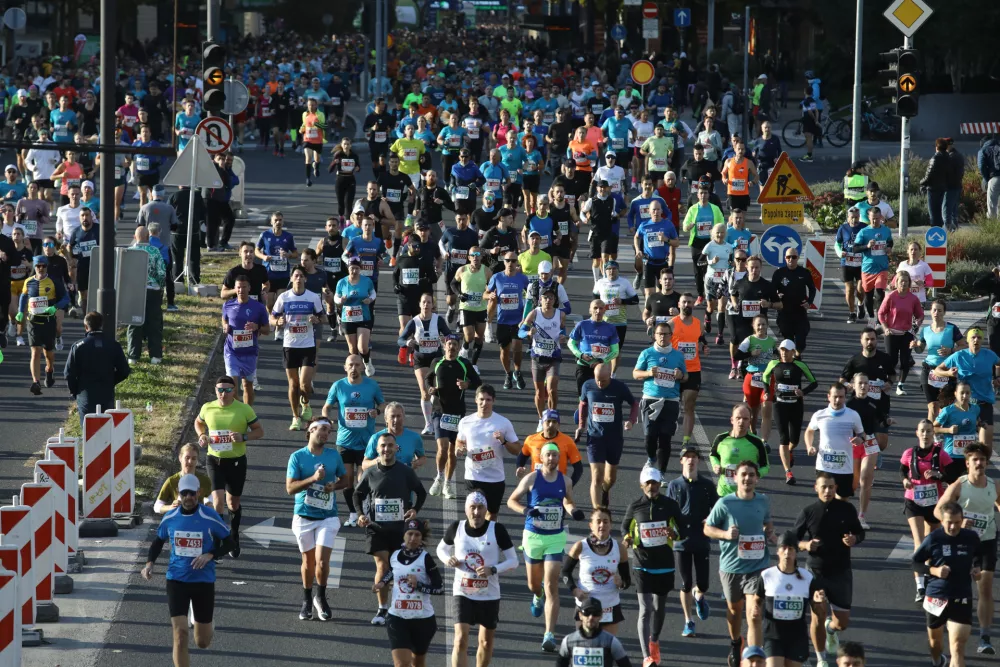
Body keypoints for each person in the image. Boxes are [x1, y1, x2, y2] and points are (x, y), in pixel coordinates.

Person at [141, 474, 235, 667]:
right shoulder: (171, 517)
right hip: (176, 580)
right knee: (180, 634)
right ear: (179, 494)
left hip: (203, 582)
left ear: (198, 493)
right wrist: (149, 563)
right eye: (184, 493)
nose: (188, 497)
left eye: (192, 493)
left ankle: (208, 627)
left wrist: (210, 555)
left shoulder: (209, 516)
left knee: (202, 642)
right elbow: (158, 541)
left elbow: (230, 542)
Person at [508, 442, 586, 651]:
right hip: (533, 537)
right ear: (541, 458)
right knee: (535, 585)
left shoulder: (566, 480)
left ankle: (549, 634)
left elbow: (567, 502)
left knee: (551, 584)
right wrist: (526, 511)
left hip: (555, 536)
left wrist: (573, 511)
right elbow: (511, 500)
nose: (552, 459)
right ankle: (537, 595)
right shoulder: (532, 478)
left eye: (555, 455)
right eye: (548, 455)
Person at [704, 460, 776, 667]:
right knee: (735, 611)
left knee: (754, 613)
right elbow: (707, 528)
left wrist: (770, 532)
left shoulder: (763, 501)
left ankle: (754, 659)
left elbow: (767, 522)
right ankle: (736, 642)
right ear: (735, 478)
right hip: (731, 567)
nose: (747, 478)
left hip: (758, 565)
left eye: (751, 475)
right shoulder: (725, 503)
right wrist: (725, 534)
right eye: (743, 474)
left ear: (757, 478)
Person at [436, 492, 519, 667]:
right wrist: (448, 559)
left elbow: (514, 561)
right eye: (472, 508)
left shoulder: (497, 530)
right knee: (459, 640)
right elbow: (441, 549)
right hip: (463, 591)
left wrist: (493, 569)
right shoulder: (456, 528)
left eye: (480, 508)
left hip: (489, 594)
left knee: (486, 642)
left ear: (486, 510)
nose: (476, 512)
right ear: (466, 510)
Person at [354, 431, 428, 626]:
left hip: (399, 528)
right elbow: (357, 494)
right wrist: (361, 515)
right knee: (382, 565)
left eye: (390, 445)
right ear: (377, 449)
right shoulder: (370, 473)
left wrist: (414, 510)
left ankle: (397, 604)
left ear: (396, 448)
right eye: (383, 446)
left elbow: (421, 493)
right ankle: (382, 608)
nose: (386, 449)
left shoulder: (405, 471)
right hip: (376, 528)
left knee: (397, 568)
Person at [793, 472, 866, 667]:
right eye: (823, 487)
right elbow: (792, 540)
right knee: (818, 614)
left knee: (842, 623)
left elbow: (860, 532)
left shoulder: (847, 509)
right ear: (816, 488)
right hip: (815, 572)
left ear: (836, 489)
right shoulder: (808, 511)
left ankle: (831, 630)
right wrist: (806, 545)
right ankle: (821, 658)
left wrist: (854, 539)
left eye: (831, 487)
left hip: (841, 571)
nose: (827, 491)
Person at [935, 443, 1000, 655]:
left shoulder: (993, 485)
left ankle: (984, 636)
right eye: (975, 460)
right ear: (968, 463)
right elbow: (938, 511)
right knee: (956, 588)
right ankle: (948, 625)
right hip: (962, 542)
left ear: (987, 463)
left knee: (985, 586)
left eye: (982, 460)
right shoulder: (959, 486)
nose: (979, 463)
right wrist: (956, 523)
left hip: (987, 540)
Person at [193, 375, 265, 558]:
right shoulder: (208, 407)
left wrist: (244, 437)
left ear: (234, 391)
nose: (223, 393)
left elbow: (259, 431)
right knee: (218, 501)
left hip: (236, 461)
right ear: (215, 391)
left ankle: (233, 536)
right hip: (214, 460)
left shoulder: (243, 409)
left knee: (233, 503)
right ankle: (217, 541)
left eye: (227, 390)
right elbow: (198, 422)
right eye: (220, 390)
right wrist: (202, 435)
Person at [285, 418, 348, 621]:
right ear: (310, 430)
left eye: (328, 431)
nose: (325, 434)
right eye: (321, 430)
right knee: (308, 562)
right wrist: (313, 479)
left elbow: (346, 480)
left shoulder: (333, 456)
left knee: (322, 561)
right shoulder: (297, 457)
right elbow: (290, 488)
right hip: (303, 515)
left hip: (327, 516)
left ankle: (320, 597)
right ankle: (306, 599)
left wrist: (334, 486)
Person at [913, 501, 981, 667]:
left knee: (957, 647)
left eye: (957, 522)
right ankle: (937, 661)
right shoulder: (934, 538)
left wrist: (977, 568)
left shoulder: (971, 537)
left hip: (961, 596)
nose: (953, 527)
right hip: (936, 596)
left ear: (962, 520)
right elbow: (916, 563)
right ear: (942, 521)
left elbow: (979, 555)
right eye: (949, 522)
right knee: (935, 643)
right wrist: (935, 571)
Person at [323, 354, 385, 528]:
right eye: (351, 365)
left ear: (362, 367)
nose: (354, 368)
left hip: (366, 441)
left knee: (362, 480)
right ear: (345, 367)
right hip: (345, 441)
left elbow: (382, 404)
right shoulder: (338, 386)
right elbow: (327, 406)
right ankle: (353, 513)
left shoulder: (371, 385)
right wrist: (327, 419)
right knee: (348, 480)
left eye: (357, 365)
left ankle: (363, 511)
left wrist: (377, 412)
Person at [374, 518, 444, 667]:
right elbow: (391, 572)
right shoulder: (394, 556)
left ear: (421, 538)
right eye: (410, 534)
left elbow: (439, 588)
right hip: (397, 618)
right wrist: (381, 583)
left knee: (418, 663)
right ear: (404, 535)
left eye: (417, 535)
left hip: (423, 620)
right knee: (402, 664)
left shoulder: (426, 559)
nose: (413, 538)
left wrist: (419, 585)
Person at [666, 445, 718, 638]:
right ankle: (689, 621)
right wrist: (670, 531)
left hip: (702, 538)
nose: (691, 460)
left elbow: (717, 508)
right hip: (681, 541)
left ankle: (699, 595)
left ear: (698, 460)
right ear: (681, 461)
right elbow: (669, 511)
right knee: (686, 583)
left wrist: (711, 520)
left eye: (694, 456)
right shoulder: (674, 485)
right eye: (687, 457)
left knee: (703, 584)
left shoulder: (706, 485)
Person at [578, 361, 639, 509]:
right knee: (596, 477)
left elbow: (634, 403)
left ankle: (605, 490)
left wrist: (631, 421)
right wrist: (581, 425)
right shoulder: (588, 386)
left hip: (614, 438)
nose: (599, 383)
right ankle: (597, 511)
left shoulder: (619, 387)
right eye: (597, 380)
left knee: (610, 479)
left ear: (610, 377)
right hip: (595, 437)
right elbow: (583, 404)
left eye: (603, 381)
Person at [761, 531, 826, 667]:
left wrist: (819, 603)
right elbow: (756, 600)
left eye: (790, 549)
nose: (787, 553)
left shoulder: (807, 578)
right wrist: (755, 610)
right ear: (777, 551)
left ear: (796, 552)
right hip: (773, 636)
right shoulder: (766, 576)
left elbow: (819, 614)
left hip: (797, 637)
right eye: (783, 548)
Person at [455, 384, 520, 520]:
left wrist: (503, 441)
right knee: (473, 512)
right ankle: (474, 540)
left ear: (493, 401)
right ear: (476, 400)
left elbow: (517, 450)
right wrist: (459, 449)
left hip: (495, 477)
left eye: (488, 400)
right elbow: (459, 441)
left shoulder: (503, 423)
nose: (485, 403)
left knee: (491, 514)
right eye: (481, 399)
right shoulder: (465, 422)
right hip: (473, 476)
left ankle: (487, 540)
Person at [271, 265, 325, 429]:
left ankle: (306, 403)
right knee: (293, 385)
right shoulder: (284, 298)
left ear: (305, 279)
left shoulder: (313, 297)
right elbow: (272, 318)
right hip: (290, 345)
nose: (299, 279)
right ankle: (295, 417)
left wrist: (317, 320)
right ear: (291, 278)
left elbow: (323, 317)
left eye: (301, 276)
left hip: (308, 345)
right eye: (296, 276)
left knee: (304, 384)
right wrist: (278, 322)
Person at [563, 508, 631, 636]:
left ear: (610, 525)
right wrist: (574, 590)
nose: (602, 525)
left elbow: (627, 581)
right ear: (591, 525)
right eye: (598, 521)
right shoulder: (580, 546)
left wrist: (621, 583)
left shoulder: (620, 549)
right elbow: (566, 572)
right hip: (586, 606)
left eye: (606, 522)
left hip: (609, 606)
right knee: (584, 647)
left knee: (607, 649)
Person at [633, 322, 687, 472]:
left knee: (665, 439)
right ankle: (651, 458)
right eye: (660, 334)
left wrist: (680, 375)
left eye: (665, 334)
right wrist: (649, 373)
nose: (662, 337)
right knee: (650, 436)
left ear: (671, 336)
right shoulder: (647, 353)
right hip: (651, 399)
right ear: (654, 335)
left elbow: (686, 376)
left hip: (671, 401)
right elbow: (636, 373)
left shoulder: (678, 355)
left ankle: (662, 473)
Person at [763, 340, 818, 484]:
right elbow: (765, 377)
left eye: (787, 350)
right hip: (779, 405)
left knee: (794, 439)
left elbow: (814, 382)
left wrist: (803, 392)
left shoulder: (800, 365)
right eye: (782, 350)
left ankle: (790, 452)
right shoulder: (774, 364)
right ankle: (788, 472)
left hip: (796, 405)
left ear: (793, 352)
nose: (784, 353)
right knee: (784, 438)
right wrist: (767, 391)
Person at [935, 328, 1000, 450]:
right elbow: (938, 370)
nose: (976, 340)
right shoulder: (959, 356)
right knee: (962, 446)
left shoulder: (989, 355)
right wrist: (949, 373)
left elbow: (998, 364)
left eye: (979, 338)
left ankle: (980, 468)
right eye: (973, 338)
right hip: (965, 405)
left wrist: (997, 377)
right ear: (968, 340)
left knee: (985, 447)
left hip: (984, 404)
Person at [63, 311, 130, 427]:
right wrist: (111, 381)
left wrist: (75, 391)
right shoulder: (113, 345)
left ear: (86, 326)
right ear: (101, 325)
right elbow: (124, 370)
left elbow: (68, 373)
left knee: (88, 430)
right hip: (106, 393)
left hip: (85, 394)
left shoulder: (78, 347)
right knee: (106, 427)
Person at [397, 293, 452, 433]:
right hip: (420, 359)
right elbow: (400, 340)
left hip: (436, 358)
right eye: (424, 302)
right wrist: (407, 342)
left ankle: (436, 416)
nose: (426, 305)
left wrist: (448, 342)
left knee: (437, 391)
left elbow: (449, 335)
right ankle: (428, 424)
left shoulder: (438, 320)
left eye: (429, 302)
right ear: (420, 304)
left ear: (433, 305)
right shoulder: (414, 322)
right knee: (425, 392)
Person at [805, 384, 866, 503]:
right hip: (824, 466)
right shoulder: (820, 415)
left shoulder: (853, 415)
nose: (838, 400)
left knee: (842, 502)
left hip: (844, 467)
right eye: (835, 397)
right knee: (824, 499)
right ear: (828, 397)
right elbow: (809, 431)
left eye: (841, 397)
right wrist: (809, 446)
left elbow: (862, 434)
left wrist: (860, 440)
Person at [521, 288, 568, 430]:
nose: (548, 300)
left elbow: (563, 330)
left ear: (555, 300)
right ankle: (541, 419)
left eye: (551, 298)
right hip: (537, 358)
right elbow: (520, 331)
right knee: (539, 393)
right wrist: (528, 332)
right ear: (540, 300)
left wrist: (562, 336)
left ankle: (551, 417)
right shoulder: (534, 313)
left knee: (552, 389)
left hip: (554, 358)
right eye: (545, 298)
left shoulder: (560, 314)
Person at [485, 250, 530, 390]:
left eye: (513, 261)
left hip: (518, 321)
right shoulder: (497, 277)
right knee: (504, 351)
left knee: (517, 348)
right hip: (503, 320)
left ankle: (517, 370)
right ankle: (508, 373)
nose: (510, 263)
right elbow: (484, 293)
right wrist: (490, 296)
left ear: (517, 263)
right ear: (503, 262)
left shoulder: (523, 278)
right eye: (507, 260)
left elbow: (530, 295)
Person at [912, 299, 964, 420]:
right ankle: (933, 436)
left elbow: (964, 345)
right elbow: (920, 349)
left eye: (940, 310)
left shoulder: (951, 328)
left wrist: (951, 350)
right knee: (933, 406)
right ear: (930, 311)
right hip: (929, 370)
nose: (936, 313)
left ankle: (944, 432)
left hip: (946, 370)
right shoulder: (925, 330)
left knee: (946, 407)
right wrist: (915, 346)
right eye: (934, 310)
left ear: (944, 313)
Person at [878, 271, 924, 396]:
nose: (903, 283)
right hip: (891, 333)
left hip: (906, 334)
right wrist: (885, 327)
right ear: (896, 283)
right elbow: (881, 313)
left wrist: (917, 325)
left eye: (906, 281)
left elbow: (920, 315)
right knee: (891, 360)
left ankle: (900, 385)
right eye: (901, 281)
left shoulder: (913, 299)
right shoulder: (890, 296)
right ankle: (888, 382)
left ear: (909, 283)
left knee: (905, 361)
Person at [126, 225, 167, 365]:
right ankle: (155, 356)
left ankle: (133, 356)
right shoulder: (155, 251)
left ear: (135, 237)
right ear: (147, 237)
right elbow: (162, 273)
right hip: (152, 291)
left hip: (134, 291)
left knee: (134, 323)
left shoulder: (129, 252)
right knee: (154, 323)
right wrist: (161, 287)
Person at [672, 293, 709, 448]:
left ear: (693, 304)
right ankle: (671, 425)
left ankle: (686, 440)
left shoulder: (698, 323)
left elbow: (701, 337)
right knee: (672, 406)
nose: (687, 305)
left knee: (689, 405)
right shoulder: (672, 324)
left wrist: (704, 345)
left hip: (693, 369)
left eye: (689, 302)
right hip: (674, 370)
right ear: (679, 304)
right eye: (684, 302)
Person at [733, 317, 777, 443]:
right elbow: (737, 355)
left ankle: (764, 441)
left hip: (767, 379)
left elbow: (777, 355)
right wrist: (750, 354)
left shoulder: (771, 341)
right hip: (752, 377)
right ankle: (752, 431)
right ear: (753, 326)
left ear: (767, 326)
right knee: (753, 410)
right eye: (758, 325)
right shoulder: (749, 340)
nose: (761, 327)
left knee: (767, 407)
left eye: (763, 324)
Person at [711, 404, 771, 496]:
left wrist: (755, 475)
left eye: (745, 419)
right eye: (738, 418)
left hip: (746, 495)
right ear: (732, 420)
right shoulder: (721, 439)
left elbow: (765, 466)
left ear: (750, 421)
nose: (741, 421)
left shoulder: (756, 442)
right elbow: (713, 455)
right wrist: (716, 465)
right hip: (723, 494)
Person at [555, 596, 633, 667]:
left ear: (601, 616)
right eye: (587, 612)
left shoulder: (611, 642)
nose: (591, 617)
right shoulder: (568, 641)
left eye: (595, 613)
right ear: (580, 615)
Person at [592, 261, 639, 376]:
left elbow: (635, 300)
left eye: (614, 269)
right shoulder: (600, 282)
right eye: (609, 269)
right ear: (605, 271)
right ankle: (601, 371)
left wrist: (622, 301)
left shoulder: (624, 283)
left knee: (616, 350)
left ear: (618, 270)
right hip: (603, 322)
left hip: (619, 323)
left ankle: (612, 373)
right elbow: (595, 299)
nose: (611, 271)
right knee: (601, 349)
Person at [682, 179, 724, 306]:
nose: (703, 195)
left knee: (712, 268)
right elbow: (684, 226)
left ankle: (712, 294)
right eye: (701, 193)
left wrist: (715, 230)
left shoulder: (715, 209)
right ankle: (700, 294)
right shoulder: (693, 209)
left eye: (705, 193)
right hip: (696, 242)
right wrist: (689, 226)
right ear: (697, 194)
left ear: (708, 195)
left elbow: (722, 223)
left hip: (710, 242)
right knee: (698, 270)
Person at [256, 212, 299, 332]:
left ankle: (278, 329)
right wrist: (263, 257)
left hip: (283, 274)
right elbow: (256, 250)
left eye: (280, 220)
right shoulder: (265, 235)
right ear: (271, 222)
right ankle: (272, 319)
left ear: (283, 222)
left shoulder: (288, 236)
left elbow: (296, 253)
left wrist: (288, 255)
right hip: (269, 274)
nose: (278, 222)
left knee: (281, 301)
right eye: (276, 220)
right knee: (269, 303)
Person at [518, 409, 585, 486]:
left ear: (558, 425)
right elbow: (522, 457)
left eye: (554, 422)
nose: (551, 424)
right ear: (542, 423)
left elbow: (578, 468)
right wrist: (519, 467)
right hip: (536, 486)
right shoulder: (531, 440)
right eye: (548, 421)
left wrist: (569, 486)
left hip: (557, 486)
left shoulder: (568, 441)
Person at [335, 256, 378, 373]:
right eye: (352, 268)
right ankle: (355, 370)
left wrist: (370, 299)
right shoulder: (342, 282)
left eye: (357, 269)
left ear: (360, 269)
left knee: (363, 347)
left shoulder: (367, 281)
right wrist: (340, 301)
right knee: (353, 349)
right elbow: (336, 297)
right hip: (348, 318)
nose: (354, 271)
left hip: (363, 316)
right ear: (348, 268)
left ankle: (367, 362)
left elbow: (373, 293)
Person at [854, 207, 893, 329]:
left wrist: (889, 248)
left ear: (881, 217)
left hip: (882, 267)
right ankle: (871, 317)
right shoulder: (863, 232)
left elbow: (890, 241)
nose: (875, 221)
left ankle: (880, 318)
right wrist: (867, 246)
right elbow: (855, 248)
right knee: (869, 295)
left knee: (880, 293)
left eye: (877, 219)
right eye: (872, 219)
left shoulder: (886, 230)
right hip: (868, 268)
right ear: (868, 218)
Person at [771, 245, 816, 353]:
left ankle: (798, 355)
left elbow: (812, 289)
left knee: (801, 340)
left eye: (794, 257)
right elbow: (772, 290)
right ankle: (792, 361)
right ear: (785, 258)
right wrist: (777, 296)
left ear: (798, 258)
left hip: (800, 312)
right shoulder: (779, 273)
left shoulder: (804, 272)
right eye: (788, 257)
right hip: (784, 312)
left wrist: (809, 302)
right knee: (789, 341)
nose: (791, 259)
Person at [934, 383, 980, 482]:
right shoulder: (948, 411)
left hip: (969, 454)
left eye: (967, 393)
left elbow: (977, 421)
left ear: (971, 394)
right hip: (952, 454)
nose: (965, 396)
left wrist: (980, 424)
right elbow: (933, 428)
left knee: (968, 483)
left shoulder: (975, 409)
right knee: (953, 485)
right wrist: (948, 430)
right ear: (955, 394)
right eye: (962, 393)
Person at [362, 402, 428, 471]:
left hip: (404, 479)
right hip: (383, 479)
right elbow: (364, 465)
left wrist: (415, 463)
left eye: (398, 416)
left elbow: (423, 458)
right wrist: (377, 461)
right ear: (386, 419)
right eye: (392, 416)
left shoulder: (414, 437)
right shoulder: (376, 438)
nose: (396, 420)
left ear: (403, 417)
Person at [155, 444, 213, 514]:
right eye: (187, 458)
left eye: (194, 458)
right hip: (178, 521)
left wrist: (209, 505)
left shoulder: (205, 480)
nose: (190, 461)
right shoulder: (172, 481)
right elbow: (157, 506)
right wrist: (170, 508)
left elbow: (211, 501)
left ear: (197, 460)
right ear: (180, 458)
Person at [835, 206, 867, 323]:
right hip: (846, 262)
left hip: (860, 263)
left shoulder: (864, 227)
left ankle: (861, 303)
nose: (854, 220)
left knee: (859, 289)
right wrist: (840, 252)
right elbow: (837, 244)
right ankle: (852, 313)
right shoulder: (843, 228)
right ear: (848, 218)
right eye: (852, 218)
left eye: (857, 217)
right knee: (849, 289)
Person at [921, 138, 951, 229]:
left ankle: (934, 230)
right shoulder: (949, 158)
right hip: (943, 188)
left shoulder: (935, 158)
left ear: (937, 147)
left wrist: (921, 182)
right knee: (940, 211)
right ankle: (940, 229)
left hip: (933, 189)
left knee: (933, 212)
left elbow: (929, 175)